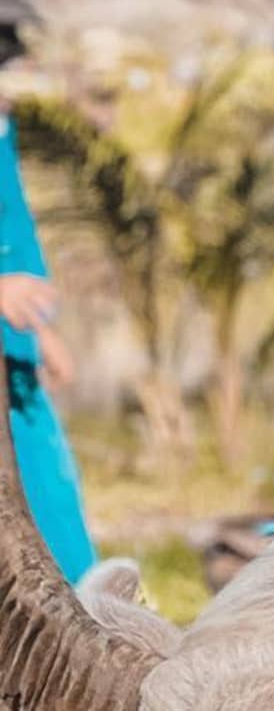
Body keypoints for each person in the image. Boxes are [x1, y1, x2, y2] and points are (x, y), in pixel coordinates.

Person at [1, 96, 97, 583]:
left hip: (14, 364)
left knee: (51, 513)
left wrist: (40, 329)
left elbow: (14, 232)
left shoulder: (3, 119)